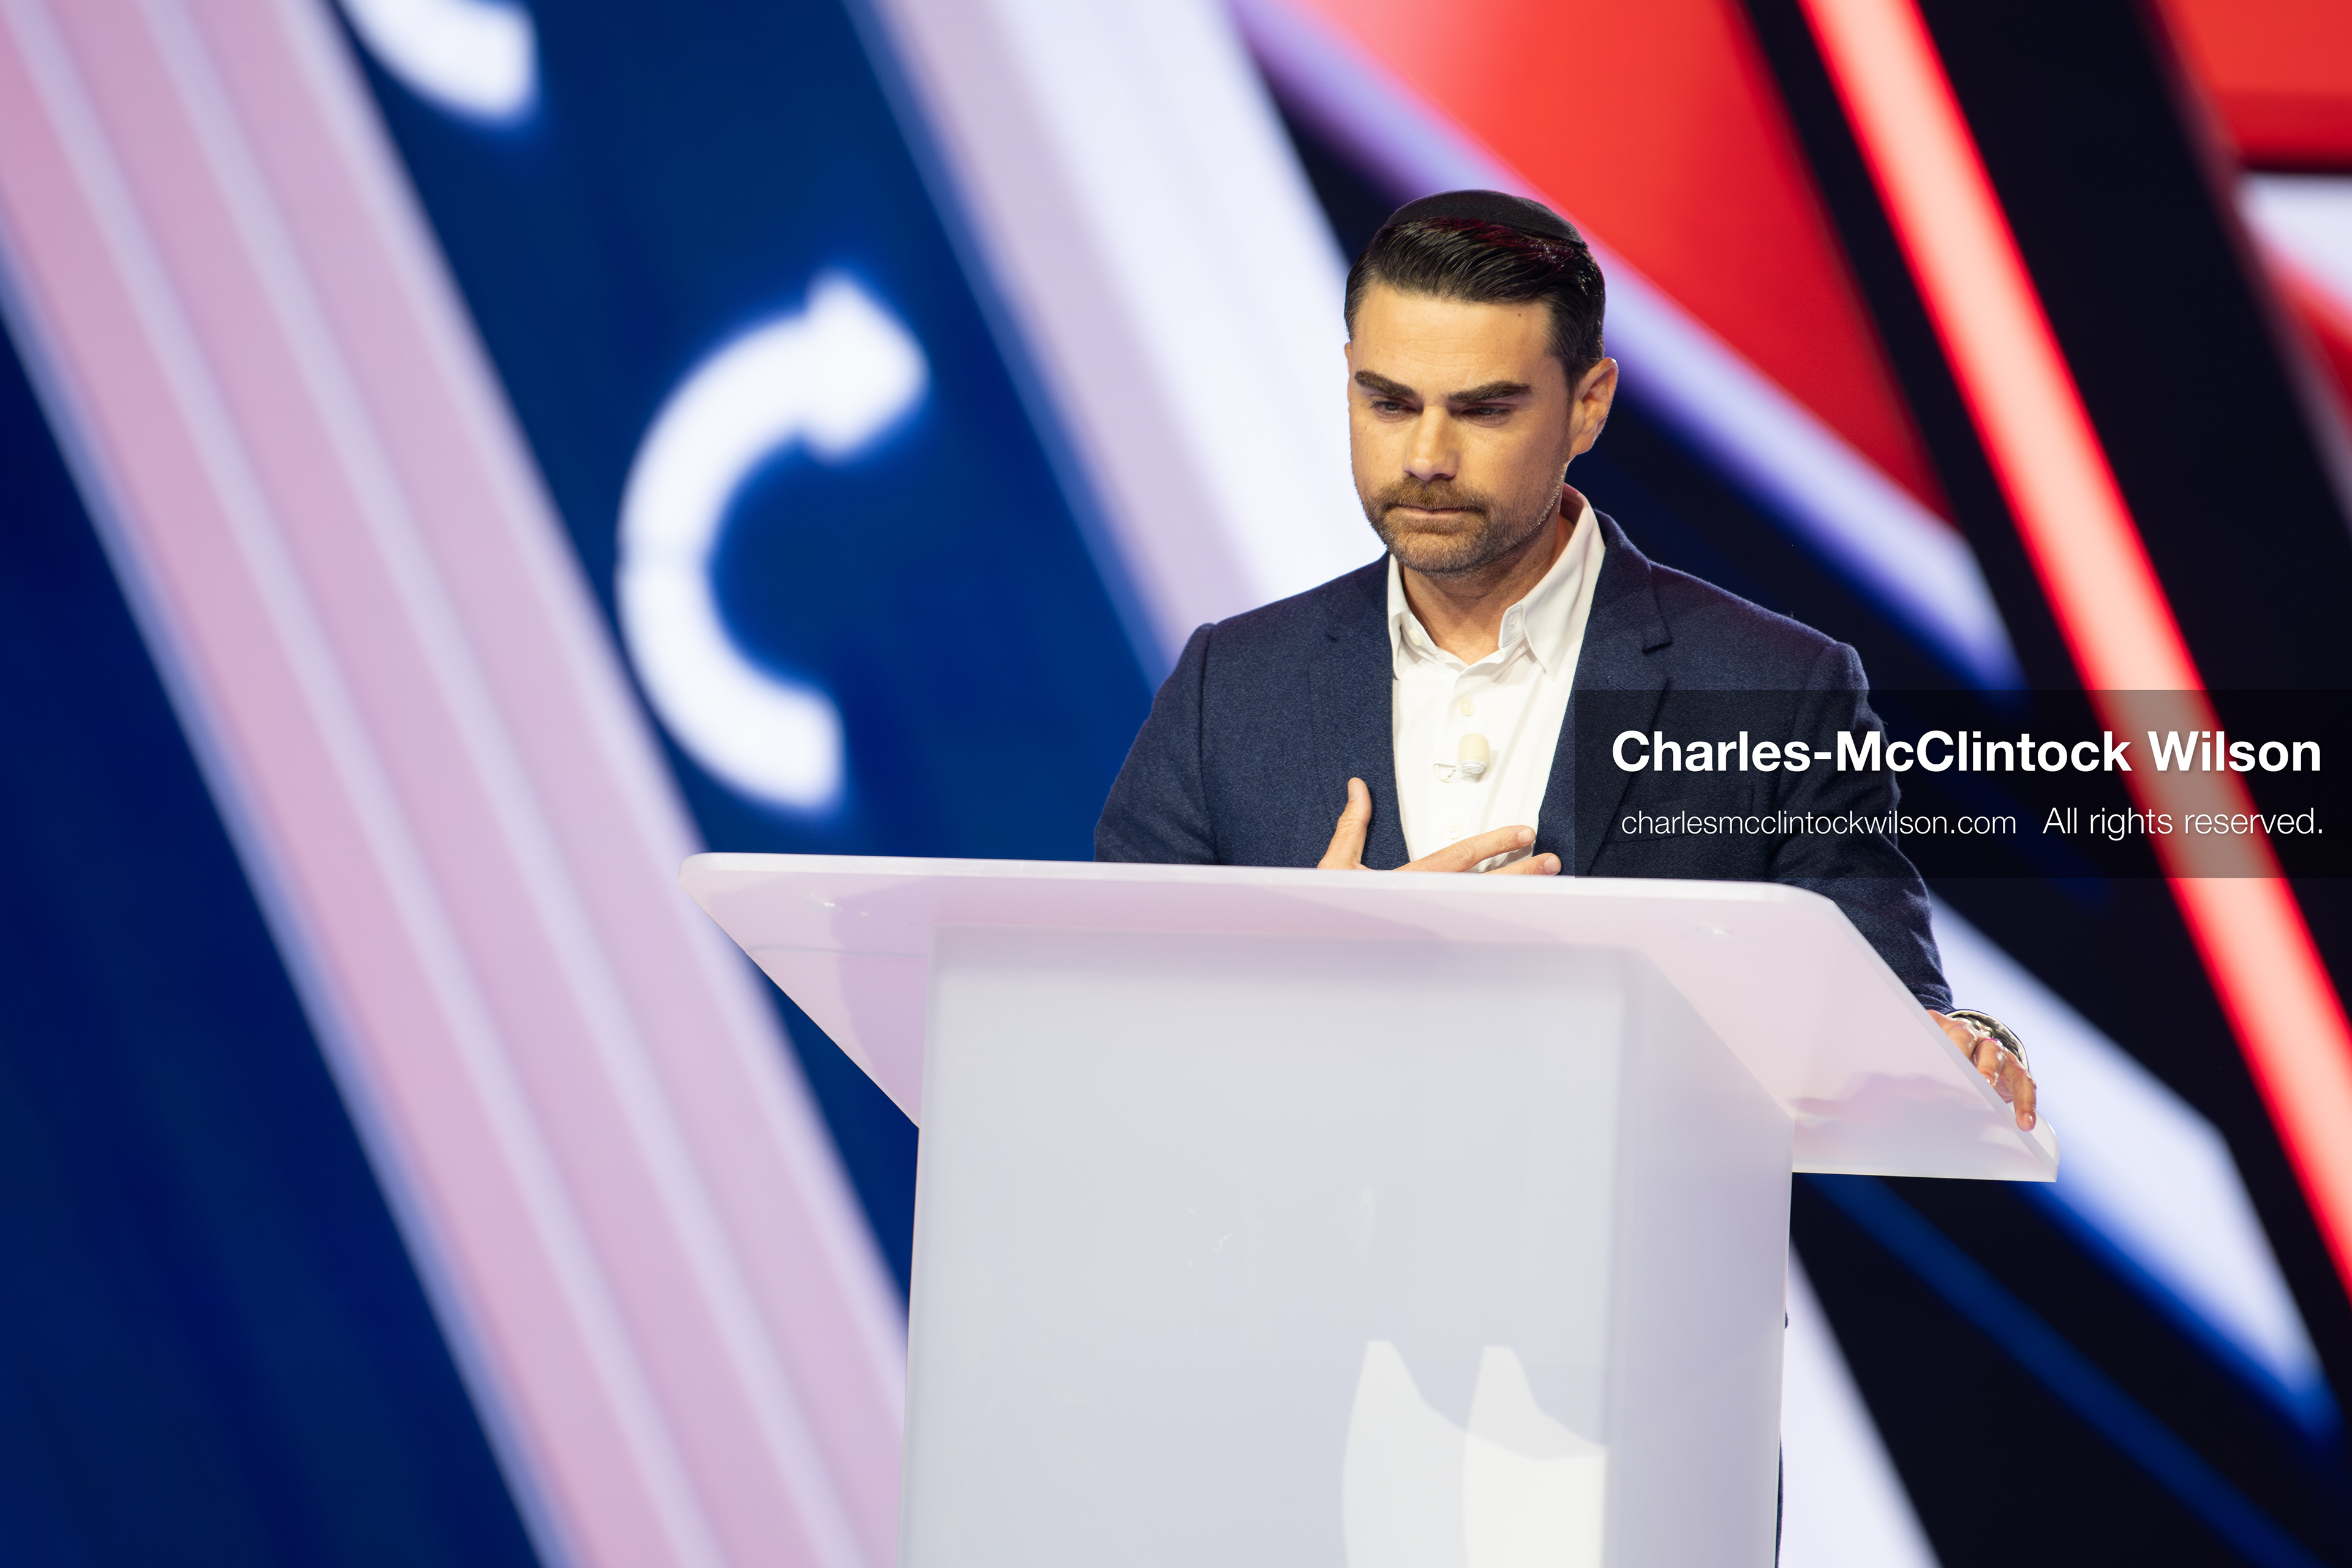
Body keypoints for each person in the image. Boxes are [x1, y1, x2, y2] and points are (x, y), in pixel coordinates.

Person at [1095, 189, 2035, 1127]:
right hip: (1297, 1264)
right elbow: (1097, 1026)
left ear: (1589, 407)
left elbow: (1895, 1025)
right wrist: (1307, 975)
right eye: (1388, 403)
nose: (1425, 456)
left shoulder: (1776, 689)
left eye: (1484, 411)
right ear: (1348, 379)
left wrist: (1963, 1051)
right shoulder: (1233, 684)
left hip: (1627, 1267)